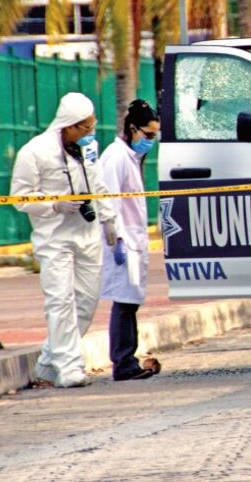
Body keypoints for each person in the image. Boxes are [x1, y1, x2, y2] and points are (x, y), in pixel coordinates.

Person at [10, 92, 118, 387]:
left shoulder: (88, 149)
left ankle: (48, 362)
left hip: (87, 235)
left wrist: (109, 219)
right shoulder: (35, 152)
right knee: (59, 300)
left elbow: (98, 184)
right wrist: (54, 204)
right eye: (86, 127)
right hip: (54, 238)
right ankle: (69, 367)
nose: (91, 132)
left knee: (86, 301)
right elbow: (19, 197)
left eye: (93, 126)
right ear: (69, 125)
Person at [100, 100, 162, 381]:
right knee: (124, 303)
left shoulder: (130, 157)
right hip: (123, 241)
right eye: (147, 134)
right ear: (133, 129)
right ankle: (123, 362)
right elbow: (109, 201)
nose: (150, 141)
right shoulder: (116, 157)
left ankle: (127, 359)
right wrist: (117, 239)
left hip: (132, 240)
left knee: (129, 303)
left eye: (154, 135)